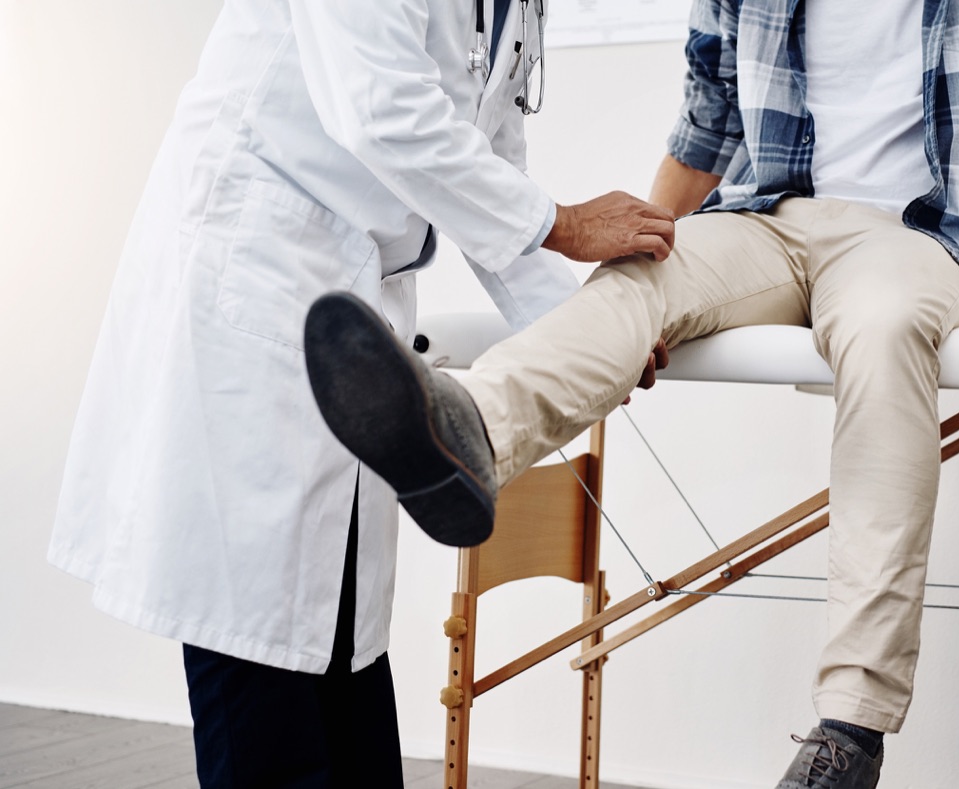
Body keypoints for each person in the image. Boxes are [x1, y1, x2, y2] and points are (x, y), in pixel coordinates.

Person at [305, 0, 959, 787]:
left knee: (884, 331)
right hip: (765, 218)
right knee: (638, 278)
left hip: (912, 236)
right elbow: (709, 116)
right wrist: (647, 247)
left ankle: (852, 725)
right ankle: (471, 437)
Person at [47, 1, 674, 787]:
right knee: (258, 647)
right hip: (255, 271)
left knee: (340, 641)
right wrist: (565, 224)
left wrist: (584, 328)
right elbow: (382, 111)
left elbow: (490, 162)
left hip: (354, 296)